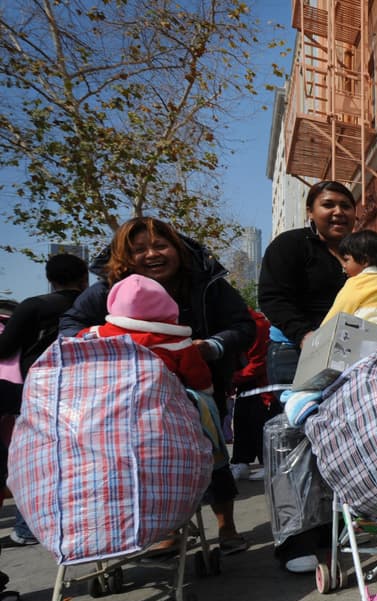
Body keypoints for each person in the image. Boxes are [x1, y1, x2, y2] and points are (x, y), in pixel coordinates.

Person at [61, 217, 255, 555]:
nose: (152, 254)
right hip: (130, 399)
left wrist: (211, 346)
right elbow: (70, 325)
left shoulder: (206, 282)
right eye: (139, 250)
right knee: (154, 463)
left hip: (199, 389)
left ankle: (227, 526)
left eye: (160, 246)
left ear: (177, 249)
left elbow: (242, 325)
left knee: (213, 455)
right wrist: (106, 346)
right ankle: (168, 528)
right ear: (125, 256)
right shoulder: (110, 286)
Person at [258, 180, 355, 573]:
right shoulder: (290, 246)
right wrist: (305, 335)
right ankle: (294, 538)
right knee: (291, 441)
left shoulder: (358, 251)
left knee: (338, 438)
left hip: (345, 355)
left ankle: (332, 529)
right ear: (311, 210)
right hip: (294, 353)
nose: (338, 212)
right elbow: (272, 297)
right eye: (328, 204)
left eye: (346, 206)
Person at [0, 253, 89, 547]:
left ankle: (28, 529)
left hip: (42, 392)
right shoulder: (94, 305)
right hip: (91, 389)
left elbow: (5, 348)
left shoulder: (33, 306)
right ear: (84, 277)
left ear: (50, 279)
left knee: (40, 457)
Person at [79, 274, 212, 392]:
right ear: (167, 305)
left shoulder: (93, 335)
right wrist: (207, 392)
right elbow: (200, 380)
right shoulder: (179, 344)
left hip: (100, 408)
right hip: (159, 411)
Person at [229, 309, 271, 481]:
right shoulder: (235, 324)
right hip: (244, 379)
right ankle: (241, 462)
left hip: (261, 382)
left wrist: (233, 379)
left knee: (259, 420)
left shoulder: (257, 324)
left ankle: (266, 463)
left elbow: (259, 362)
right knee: (241, 419)